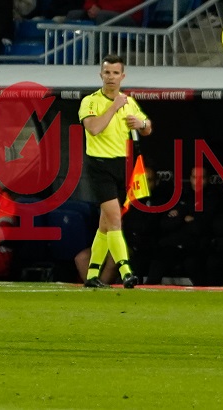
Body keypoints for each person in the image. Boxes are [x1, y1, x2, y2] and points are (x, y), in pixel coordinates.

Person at [79, 54, 152, 289]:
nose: (111, 77)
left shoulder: (128, 102)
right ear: (101, 75)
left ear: (123, 75)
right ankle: (126, 270)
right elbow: (94, 128)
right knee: (115, 220)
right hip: (99, 165)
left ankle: (92, 275)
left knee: (105, 223)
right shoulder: (90, 101)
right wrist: (114, 107)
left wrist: (141, 125)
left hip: (123, 165)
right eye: (107, 72)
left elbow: (148, 126)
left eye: (115, 72)